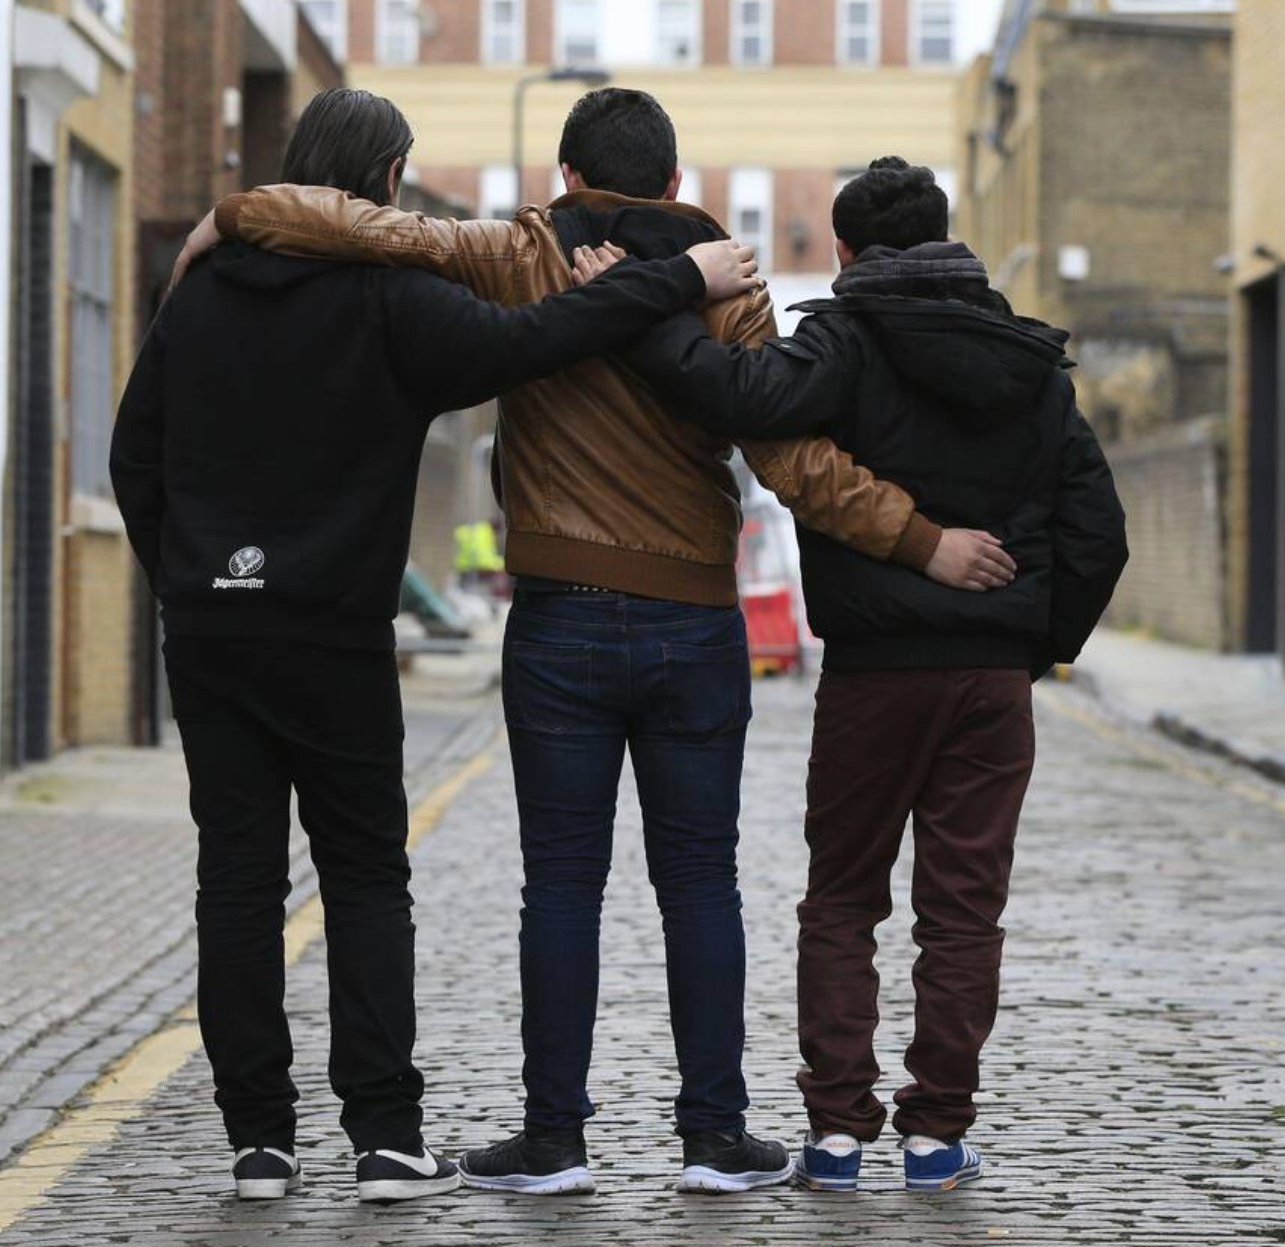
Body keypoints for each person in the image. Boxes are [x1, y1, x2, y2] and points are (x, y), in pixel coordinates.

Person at [170, 88, 1018, 1196]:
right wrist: (923, 540)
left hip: (560, 618)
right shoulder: (726, 276)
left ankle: (554, 1141)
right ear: (674, 182)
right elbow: (790, 457)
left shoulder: (519, 252)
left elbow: (374, 227)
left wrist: (238, 213)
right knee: (701, 883)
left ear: (567, 177)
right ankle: (715, 1138)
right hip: (694, 620)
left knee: (561, 887)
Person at [109, 87, 761, 1206]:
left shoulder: (200, 294)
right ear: (388, 177)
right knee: (366, 874)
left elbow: (136, 452)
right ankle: (384, 1137)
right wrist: (676, 278)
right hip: (337, 629)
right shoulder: (391, 299)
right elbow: (537, 338)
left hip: (213, 626)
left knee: (237, 878)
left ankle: (259, 1142)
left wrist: (189, 576)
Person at [620, 157, 1129, 1194]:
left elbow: (739, 393)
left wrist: (650, 306)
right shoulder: (1031, 361)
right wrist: (1028, 644)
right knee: (963, 914)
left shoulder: (845, 340)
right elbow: (1099, 533)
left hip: (872, 677)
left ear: (845, 251)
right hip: (991, 682)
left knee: (842, 902)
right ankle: (937, 1135)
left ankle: (839, 1134)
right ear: (947, 238)